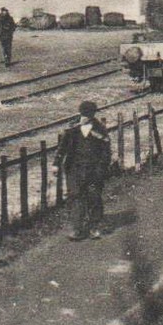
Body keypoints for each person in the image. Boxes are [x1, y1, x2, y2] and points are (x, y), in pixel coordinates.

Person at [54, 102, 113, 240]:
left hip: (94, 169)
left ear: (93, 115)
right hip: (75, 169)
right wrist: (56, 164)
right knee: (75, 196)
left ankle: (94, 227)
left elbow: (106, 152)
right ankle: (76, 229)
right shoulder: (72, 129)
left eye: (88, 115)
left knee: (94, 197)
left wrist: (102, 168)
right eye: (83, 114)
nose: (85, 117)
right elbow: (62, 147)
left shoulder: (100, 129)